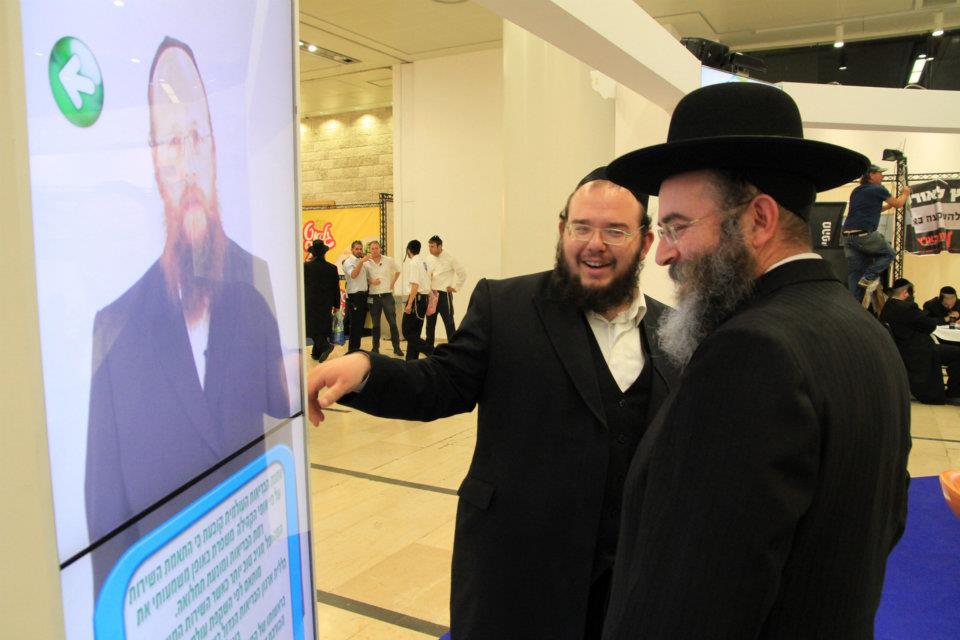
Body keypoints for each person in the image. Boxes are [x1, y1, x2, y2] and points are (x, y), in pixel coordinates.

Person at [307, 167, 680, 639]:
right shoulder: (507, 306)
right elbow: (441, 382)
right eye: (582, 227)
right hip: (519, 572)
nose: (595, 244)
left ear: (645, 243)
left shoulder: (674, 333)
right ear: (562, 229)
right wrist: (366, 369)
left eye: (615, 231)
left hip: (627, 584)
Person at [602, 82, 911, 639]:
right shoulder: (866, 332)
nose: (663, 253)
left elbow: (696, 594)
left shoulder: (751, 353)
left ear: (759, 219)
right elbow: (882, 528)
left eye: (676, 226)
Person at [85, 37, 289, 590]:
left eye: (198, 135)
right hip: (170, 597)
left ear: (215, 149)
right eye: (173, 141)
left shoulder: (254, 284)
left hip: (249, 576)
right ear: (156, 162)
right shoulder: (115, 327)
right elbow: (106, 523)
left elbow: (278, 411)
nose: (189, 160)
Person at [881, 278, 960, 404]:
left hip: (905, 347)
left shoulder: (888, 306)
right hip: (918, 350)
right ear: (905, 293)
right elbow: (929, 325)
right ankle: (954, 393)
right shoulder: (907, 308)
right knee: (957, 353)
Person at [842, 164, 910, 301]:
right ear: (871, 175)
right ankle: (869, 277)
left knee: (855, 274)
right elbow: (899, 203)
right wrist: (905, 193)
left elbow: (871, 210)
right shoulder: (878, 189)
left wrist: (888, 206)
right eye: (880, 173)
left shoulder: (857, 190)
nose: (883, 176)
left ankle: (854, 305)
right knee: (889, 253)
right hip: (864, 234)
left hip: (847, 236)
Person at [424, 235, 466, 347]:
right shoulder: (428, 258)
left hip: (444, 295)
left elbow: (462, 274)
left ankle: (454, 348)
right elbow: (426, 274)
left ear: (439, 246)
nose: (430, 249)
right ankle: (429, 349)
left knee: (449, 323)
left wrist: (455, 288)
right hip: (432, 294)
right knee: (430, 324)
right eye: (429, 246)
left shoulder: (450, 258)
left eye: (432, 246)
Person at [364, 240, 404, 356]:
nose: (374, 250)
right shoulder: (366, 263)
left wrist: (392, 283)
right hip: (373, 296)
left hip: (387, 295)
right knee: (375, 324)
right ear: (369, 250)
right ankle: (375, 348)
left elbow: (398, 270)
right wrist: (371, 281)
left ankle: (396, 348)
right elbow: (364, 278)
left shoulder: (388, 260)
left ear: (380, 248)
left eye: (376, 248)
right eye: (372, 248)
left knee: (392, 322)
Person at [304, 240, 341, 361]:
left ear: (313, 253)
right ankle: (317, 352)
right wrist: (337, 305)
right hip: (326, 303)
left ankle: (325, 346)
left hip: (310, 302)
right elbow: (336, 288)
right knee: (322, 326)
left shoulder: (306, 266)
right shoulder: (332, 268)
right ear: (324, 253)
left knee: (312, 328)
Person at [399, 239, 435, 361]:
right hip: (422, 299)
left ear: (408, 250)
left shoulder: (414, 262)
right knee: (415, 332)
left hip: (416, 299)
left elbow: (415, 285)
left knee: (407, 331)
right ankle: (411, 360)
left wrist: (409, 304)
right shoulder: (423, 262)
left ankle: (432, 351)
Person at [341, 240, 371, 352]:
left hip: (363, 295)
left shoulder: (360, 261)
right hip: (354, 296)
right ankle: (352, 350)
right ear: (352, 250)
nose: (359, 251)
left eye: (360, 249)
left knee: (360, 325)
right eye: (357, 249)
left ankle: (356, 349)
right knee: (355, 325)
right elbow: (353, 275)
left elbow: (364, 278)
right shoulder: (348, 262)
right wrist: (362, 261)